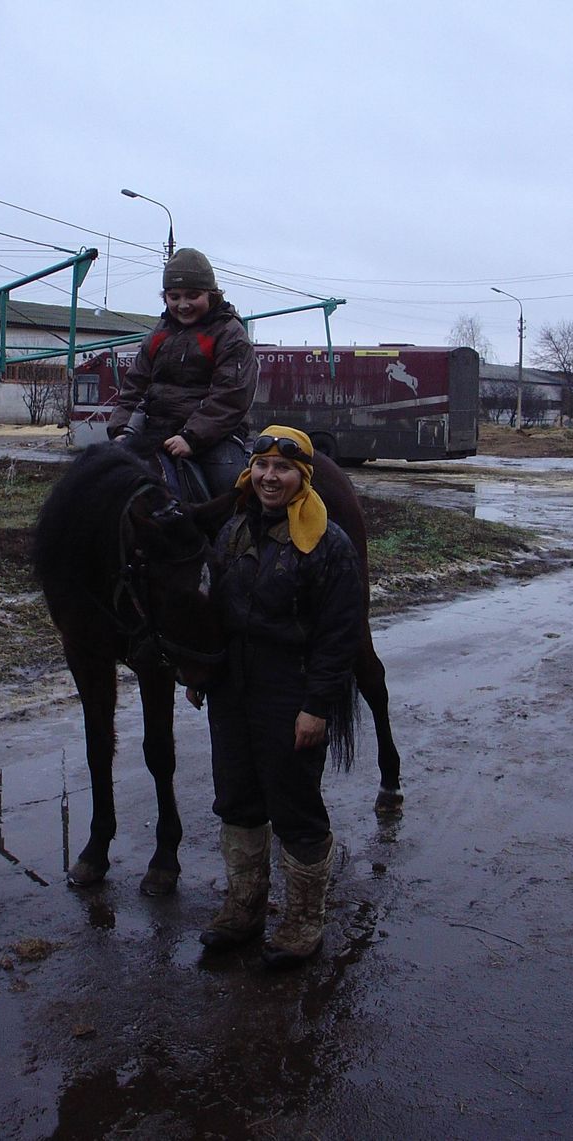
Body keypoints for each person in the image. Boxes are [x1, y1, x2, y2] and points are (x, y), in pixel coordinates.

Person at [190, 425, 364, 968]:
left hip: (291, 690)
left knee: (294, 807)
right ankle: (244, 908)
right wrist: (200, 671)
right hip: (232, 688)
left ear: (302, 476)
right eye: (262, 466)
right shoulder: (233, 529)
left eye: (283, 468)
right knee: (236, 799)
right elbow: (212, 608)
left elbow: (340, 634)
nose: (270, 477)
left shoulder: (328, 544)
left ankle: (303, 922)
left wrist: (317, 706)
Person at [106, 248, 258, 495]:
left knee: (231, 485)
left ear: (211, 294)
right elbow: (135, 385)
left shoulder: (230, 335)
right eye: (174, 296)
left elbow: (231, 396)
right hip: (156, 429)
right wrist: (122, 429)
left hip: (215, 435)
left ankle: (242, 519)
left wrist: (192, 437)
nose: (183, 305)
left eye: (193, 295)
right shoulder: (159, 334)